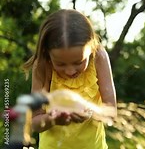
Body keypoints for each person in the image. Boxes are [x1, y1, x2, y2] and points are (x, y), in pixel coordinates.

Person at [23, 9, 117, 149]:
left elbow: (111, 113)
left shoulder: (99, 57)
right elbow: (35, 123)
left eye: (79, 62)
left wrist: (89, 112)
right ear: (48, 54)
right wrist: (52, 119)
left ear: (90, 47)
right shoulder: (43, 65)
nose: (70, 71)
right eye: (60, 64)